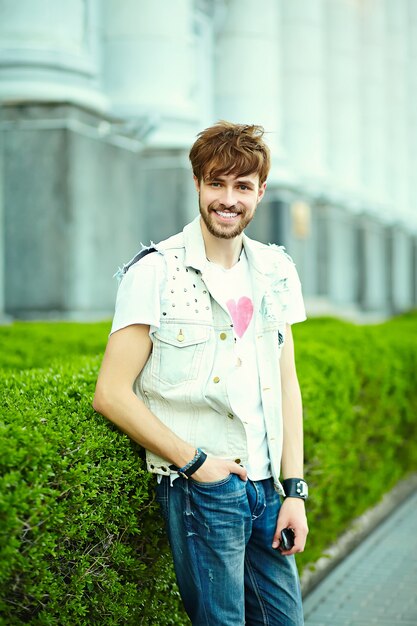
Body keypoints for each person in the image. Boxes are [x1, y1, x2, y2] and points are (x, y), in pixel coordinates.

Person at [93, 121, 309, 626]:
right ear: (197, 184)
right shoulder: (156, 271)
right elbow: (110, 393)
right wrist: (196, 464)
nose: (227, 199)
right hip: (203, 488)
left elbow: (287, 384)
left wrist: (293, 491)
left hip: (266, 491)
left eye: (242, 186)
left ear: (260, 193)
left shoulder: (277, 271)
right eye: (217, 183)